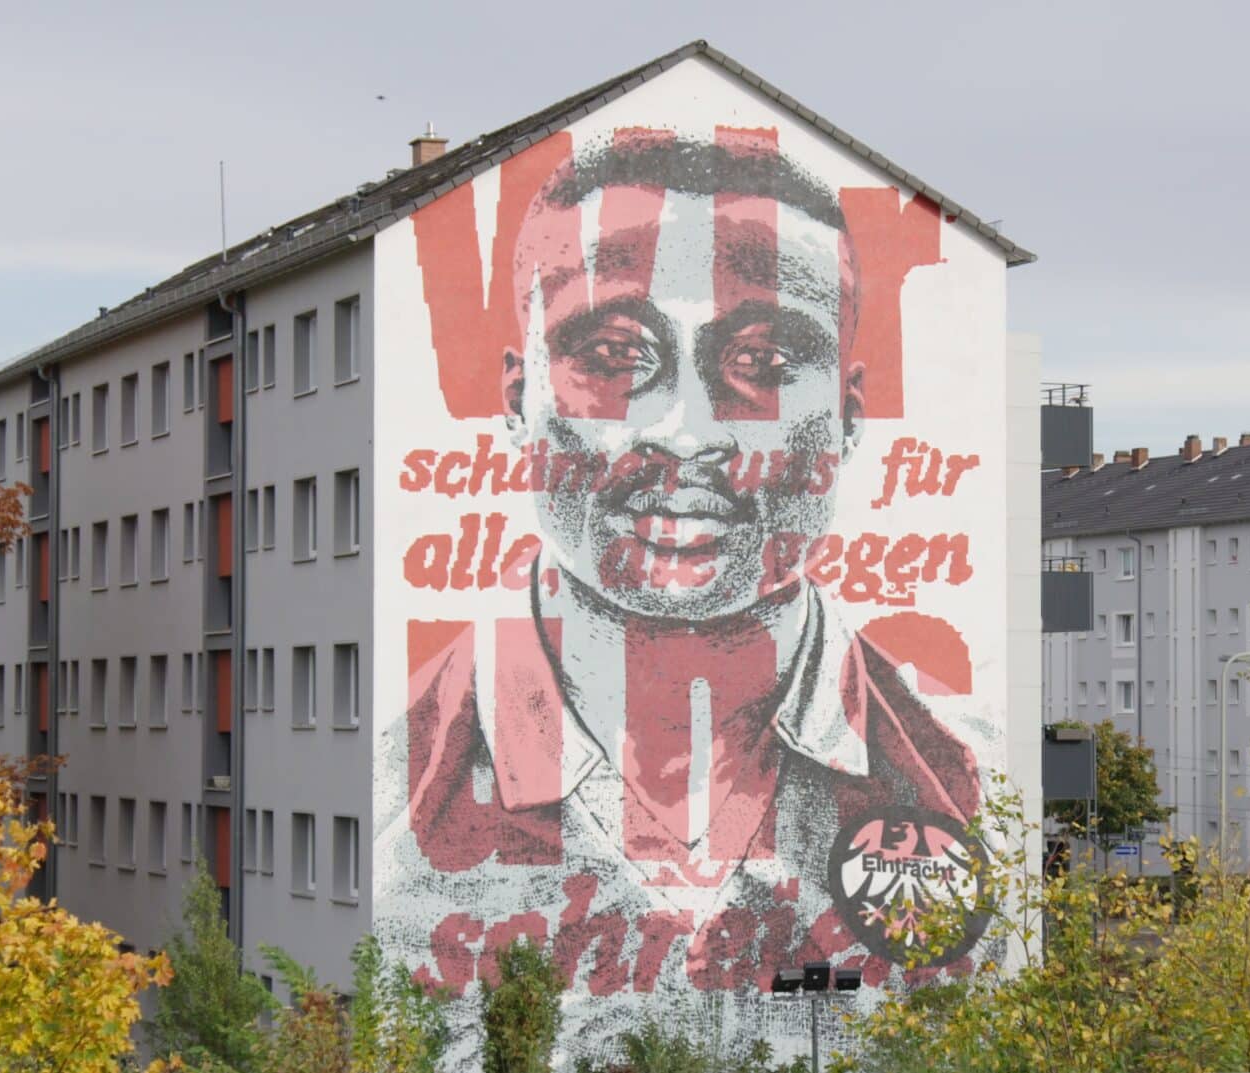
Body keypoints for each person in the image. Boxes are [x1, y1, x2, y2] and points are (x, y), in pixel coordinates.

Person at [376, 127, 991, 1059]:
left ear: (848, 416)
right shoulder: (390, 802)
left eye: (768, 364)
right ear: (518, 397)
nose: (688, 432)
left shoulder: (969, 783)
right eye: (615, 354)